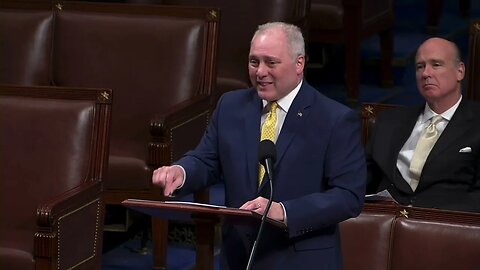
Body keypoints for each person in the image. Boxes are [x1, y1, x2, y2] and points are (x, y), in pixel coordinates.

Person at [152, 22, 366, 269]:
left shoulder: (334, 119)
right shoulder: (231, 106)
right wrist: (181, 172)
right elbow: (207, 159)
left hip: (300, 258)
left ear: (300, 64)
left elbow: (348, 196)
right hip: (239, 256)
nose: (260, 72)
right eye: (254, 62)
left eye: (271, 62)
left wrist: (284, 211)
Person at [366, 37, 480, 213]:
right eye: (420, 66)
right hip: (385, 224)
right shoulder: (389, 122)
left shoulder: (476, 123)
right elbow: (361, 178)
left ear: (460, 71)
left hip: (446, 229)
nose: (426, 73)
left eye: (436, 65)